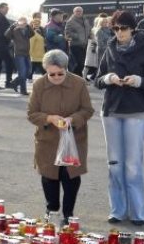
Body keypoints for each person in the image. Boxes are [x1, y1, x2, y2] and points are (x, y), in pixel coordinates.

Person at [95, 10, 144, 225]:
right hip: (111, 111)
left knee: (133, 164)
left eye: (123, 28)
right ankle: (117, 210)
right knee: (114, 163)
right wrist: (108, 77)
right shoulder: (109, 48)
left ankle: (139, 212)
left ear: (132, 28)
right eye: (115, 28)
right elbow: (97, 80)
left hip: (136, 111)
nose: (119, 32)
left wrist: (137, 80)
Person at [27, 49, 94, 224]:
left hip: (74, 138)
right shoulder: (39, 85)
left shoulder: (79, 83)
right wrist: (49, 118)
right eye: (51, 74)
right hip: (48, 139)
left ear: (66, 69)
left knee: (70, 176)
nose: (56, 77)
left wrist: (72, 119)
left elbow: (88, 110)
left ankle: (68, 213)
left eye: (60, 74)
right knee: (49, 176)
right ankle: (52, 209)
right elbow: (31, 113)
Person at [6, 17, 32, 95]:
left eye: (25, 22)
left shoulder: (27, 30)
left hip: (27, 53)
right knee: (23, 71)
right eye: (22, 22)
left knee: (28, 71)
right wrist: (13, 26)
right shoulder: (15, 30)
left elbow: (33, 34)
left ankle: (14, 82)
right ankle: (23, 90)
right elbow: (6, 35)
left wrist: (28, 26)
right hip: (19, 53)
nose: (23, 24)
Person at [0, 2, 13, 89]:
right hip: (1, 45)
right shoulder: (0, 19)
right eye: (6, 8)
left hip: (1, 45)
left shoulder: (1, 18)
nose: (7, 10)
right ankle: (7, 82)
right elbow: (3, 33)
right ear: (0, 8)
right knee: (9, 63)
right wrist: (11, 30)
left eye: (7, 8)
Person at [65, 6, 90, 76]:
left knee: (83, 62)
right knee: (77, 63)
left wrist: (90, 35)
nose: (79, 12)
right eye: (77, 11)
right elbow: (67, 33)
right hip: (75, 45)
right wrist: (77, 36)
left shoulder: (85, 20)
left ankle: (78, 76)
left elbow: (88, 29)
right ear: (74, 12)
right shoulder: (70, 21)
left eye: (80, 11)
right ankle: (75, 76)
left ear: (82, 12)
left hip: (84, 45)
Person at [29, 13, 45, 79]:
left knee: (34, 66)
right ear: (34, 17)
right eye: (38, 17)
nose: (40, 18)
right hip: (35, 52)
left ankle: (28, 77)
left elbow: (43, 37)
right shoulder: (30, 28)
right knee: (35, 65)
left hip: (40, 51)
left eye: (40, 17)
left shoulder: (41, 28)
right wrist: (30, 52)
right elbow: (31, 41)